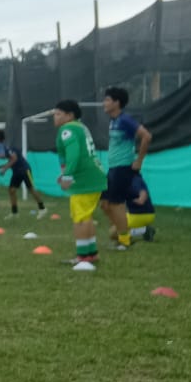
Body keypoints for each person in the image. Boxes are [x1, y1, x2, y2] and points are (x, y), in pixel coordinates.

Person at [53, 99, 108, 271]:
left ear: (69, 115)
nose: (55, 117)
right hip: (94, 177)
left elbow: (74, 153)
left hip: (84, 180)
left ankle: (83, 257)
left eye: (58, 114)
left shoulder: (67, 129)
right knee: (86, 216)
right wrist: (64, 173)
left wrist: (68, 175)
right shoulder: (81, 127)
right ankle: (91, 254)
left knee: (80, 218)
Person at [100, 86, 152, 250]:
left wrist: (139, 161)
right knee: (105, 204)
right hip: (113, 168)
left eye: (107, 100)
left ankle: (124, 240)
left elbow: (146, 136)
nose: (104, 103)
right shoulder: (113, 121)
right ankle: (129, 231)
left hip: (123, 168)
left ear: (117, 103)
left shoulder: (125, 120)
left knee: (116, 204)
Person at [0, 141, 47, 216]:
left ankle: (42, 208)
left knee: (31, 189)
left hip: (25, 170)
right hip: (16, 172)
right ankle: (14, 213)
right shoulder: (3, 151)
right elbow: (10, 161)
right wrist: (2, 166)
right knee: (12, 190)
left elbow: (14, 159)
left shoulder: (8, 149)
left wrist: (5, 169)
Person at [118, 171, 157, 243]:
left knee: (116, 230)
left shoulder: (134, 180)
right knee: (117, 219)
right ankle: (144, 231)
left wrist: (138, 200)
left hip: (140, 215)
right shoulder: (135, 179)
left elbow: (143, 194)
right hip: (146, 214)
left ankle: (144, 230)